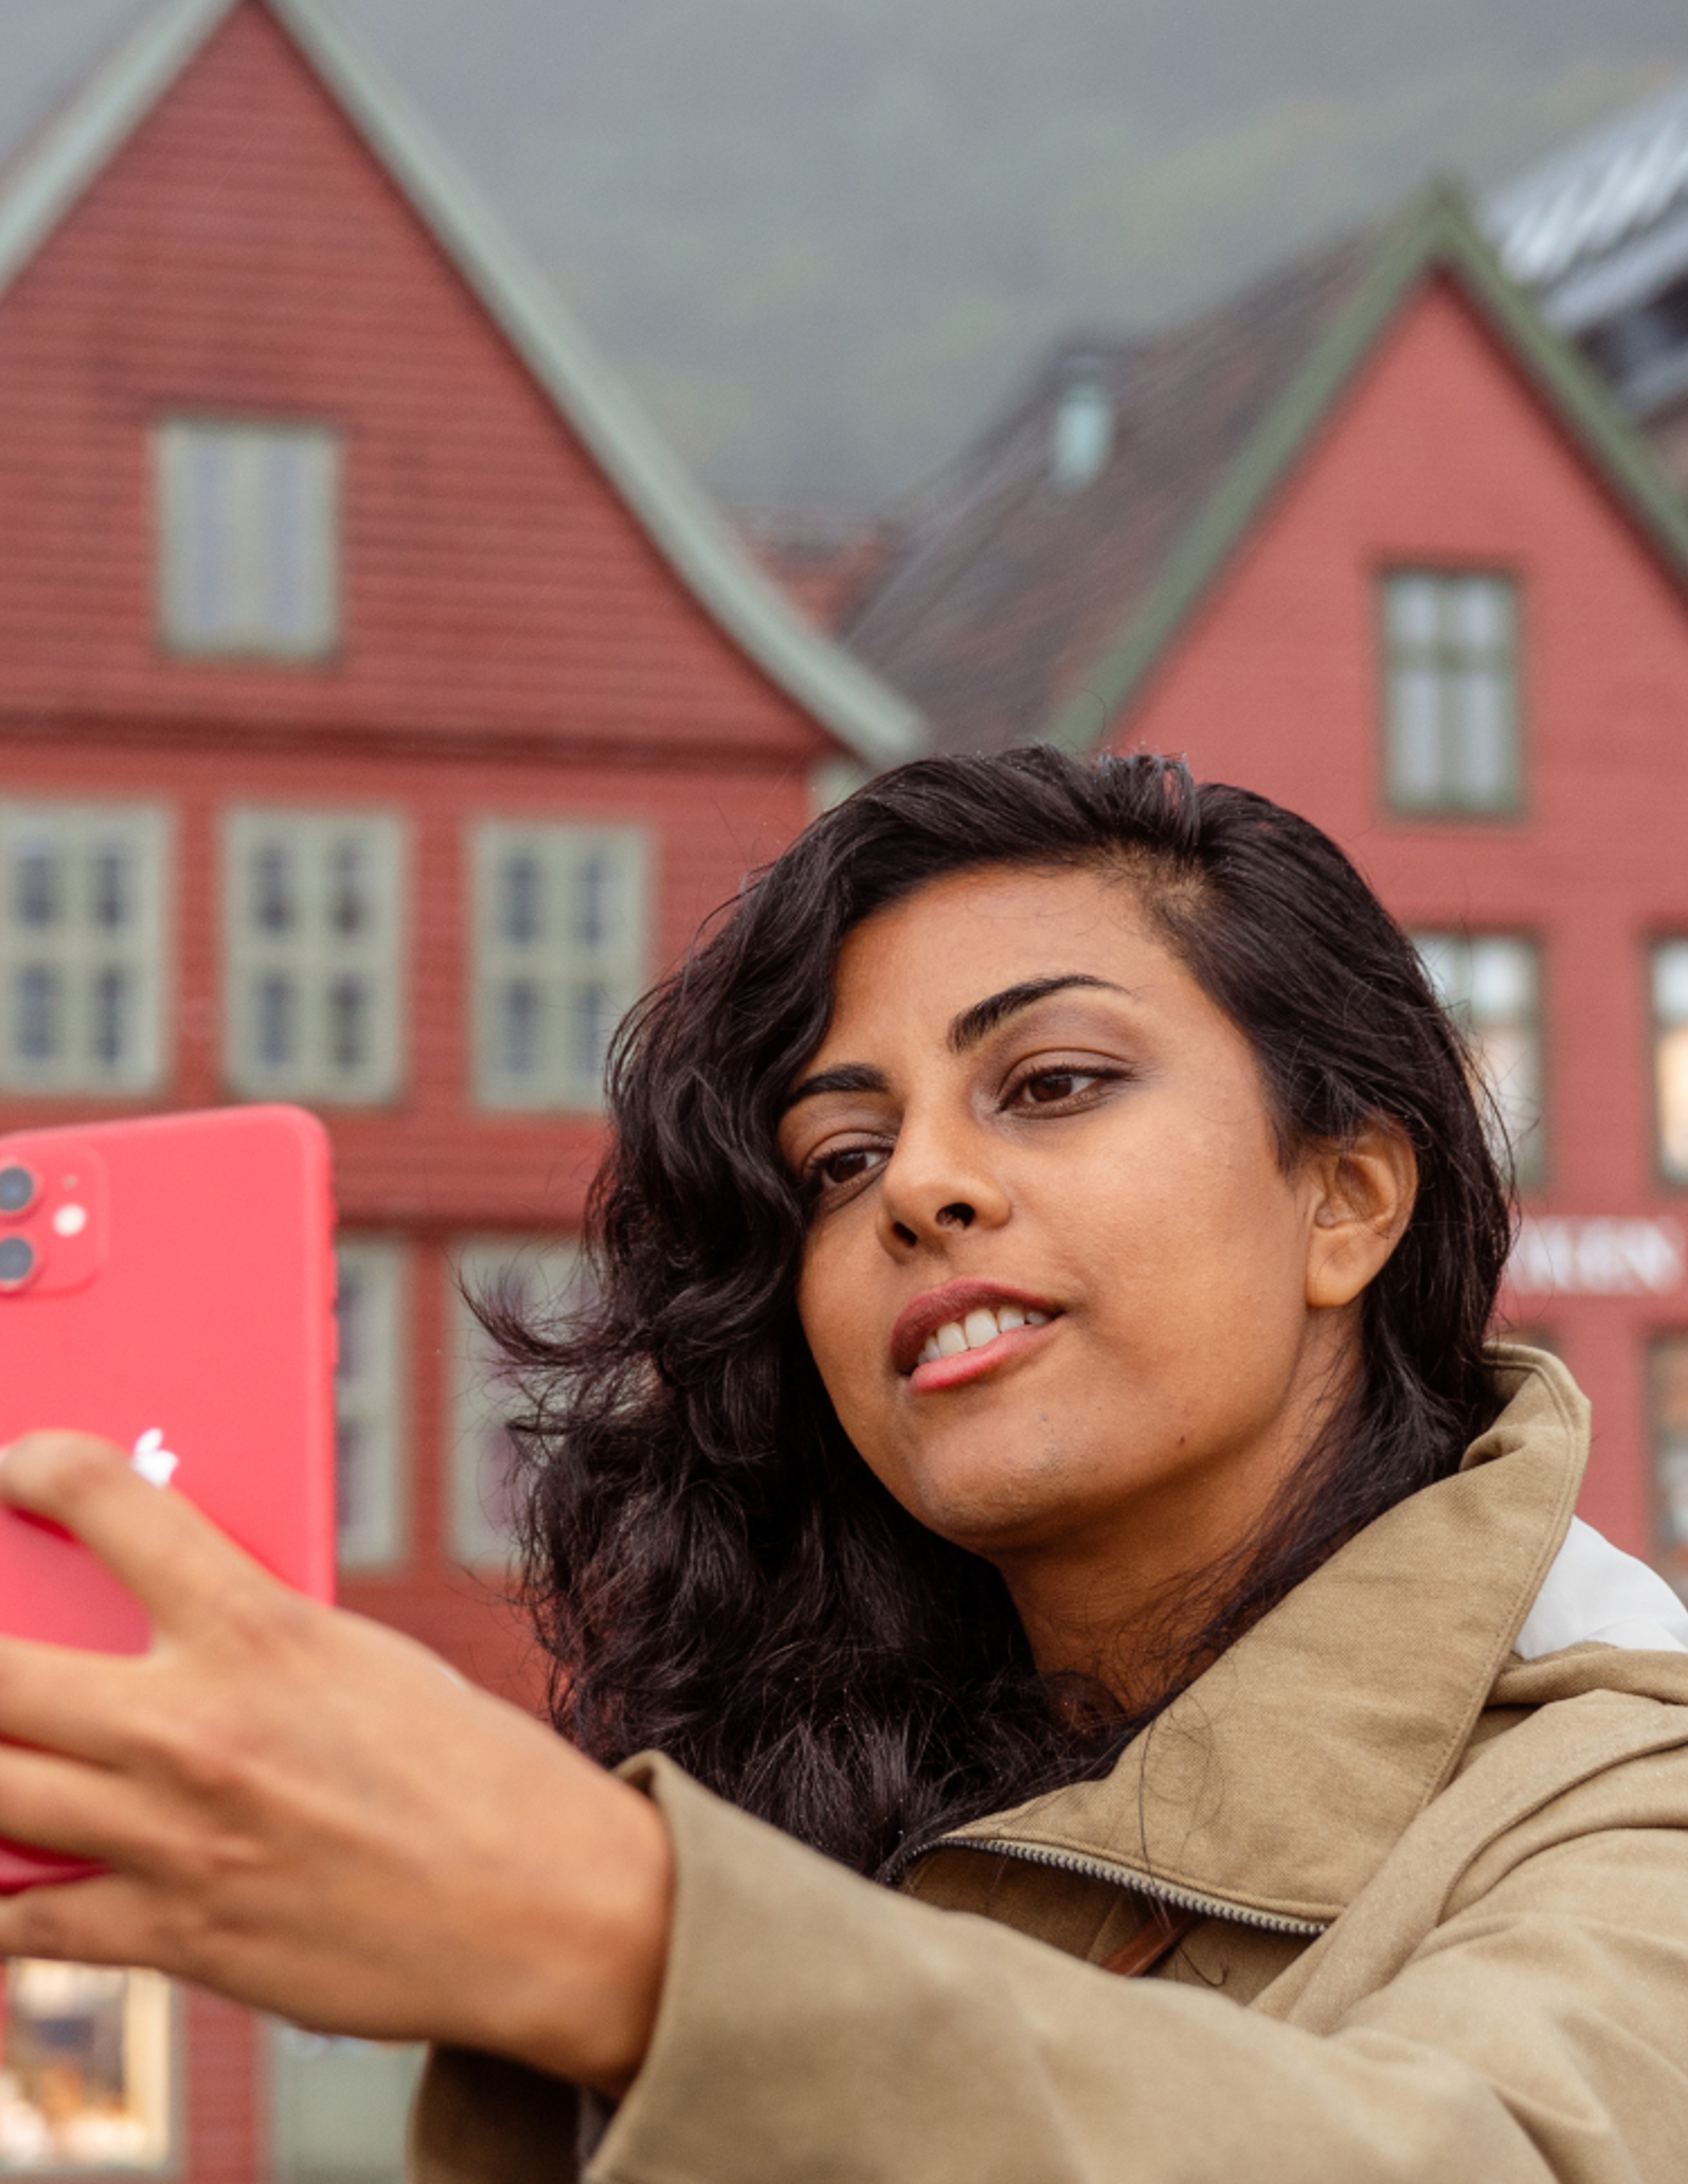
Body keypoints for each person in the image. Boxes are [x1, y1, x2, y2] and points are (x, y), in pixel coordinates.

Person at [0, 748, 1686, 2184]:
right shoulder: (802, 1789)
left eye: (1054, 1082)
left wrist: (613, 1937)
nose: (918, 1188)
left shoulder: (1621, 1795)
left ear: (1348, 1200)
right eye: (840, 1155)